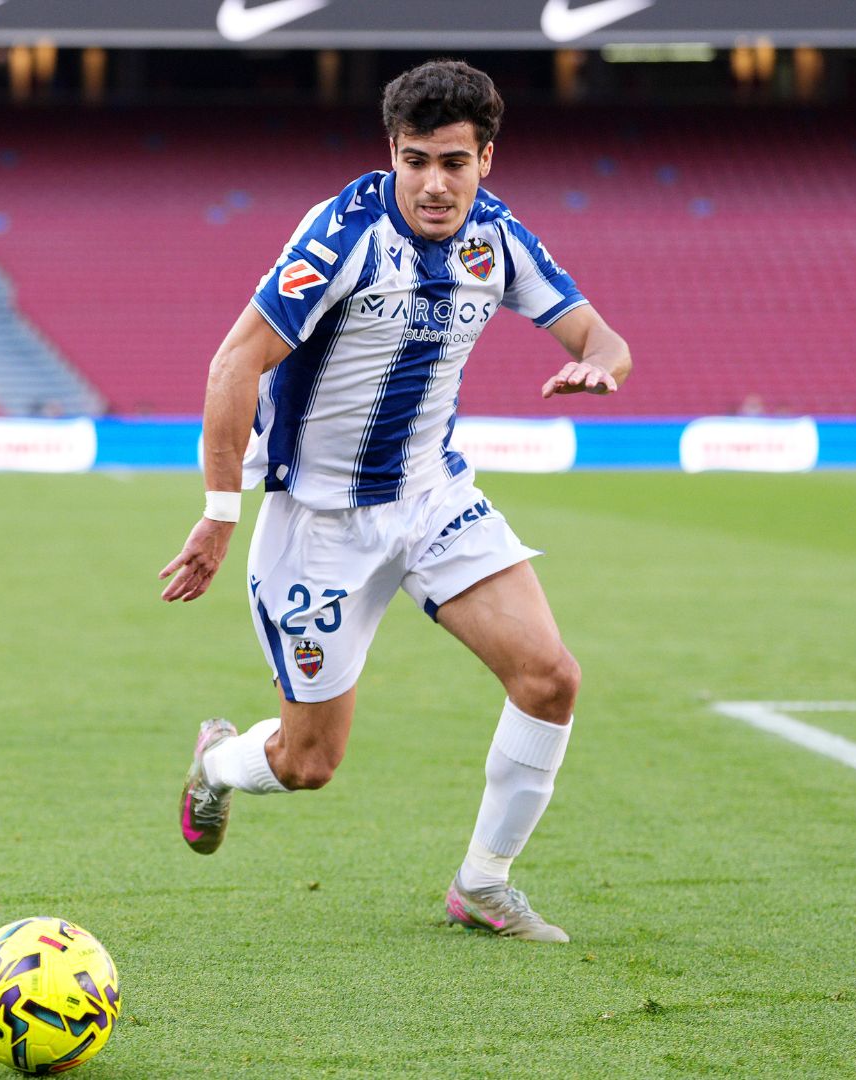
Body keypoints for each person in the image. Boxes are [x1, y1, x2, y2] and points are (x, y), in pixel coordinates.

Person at [160, 60, 631, 943]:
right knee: (308, 764)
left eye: (454, 162)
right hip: (319, 523)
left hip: (431, 498)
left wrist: (599, 364)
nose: (434, 184)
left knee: (550, 677)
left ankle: (483, 882)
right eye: (415, 161)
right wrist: (220, 516)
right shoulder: (343, 236)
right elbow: (234, 363)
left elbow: (601, 335)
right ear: (392, 153)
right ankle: (217, 764)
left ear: (486, 158)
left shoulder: (500, 241)